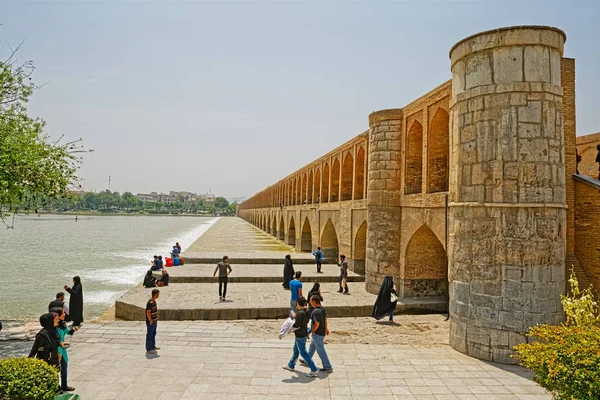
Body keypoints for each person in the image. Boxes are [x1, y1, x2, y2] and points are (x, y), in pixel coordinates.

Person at [282, 297, 319, 377]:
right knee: (295, 350)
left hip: (300, 335)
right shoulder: (306, 311)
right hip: (303, 333)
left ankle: (314, 369)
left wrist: (289, 326)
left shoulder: (300, 313)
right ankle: (291, 365)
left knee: (303, 353)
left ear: (298, 303)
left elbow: (297, 325)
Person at [300, 295, 333, 373]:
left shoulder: (315, 312)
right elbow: (325, 319)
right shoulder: (322, 309)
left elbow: (316, 323)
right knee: (312, 347)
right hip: (322, 332)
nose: (310, 303)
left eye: (311, 301)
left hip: (317, 333)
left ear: (314, 302)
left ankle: (327, 366)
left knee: (320, 350)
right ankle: (307, 360)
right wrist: (326, 328)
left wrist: (313, 331)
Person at [52, 307, 78, 392]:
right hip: (56, 349)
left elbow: (68, 332)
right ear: (58, 315)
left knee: (64, 367)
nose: (65, 314)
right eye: (63, 313)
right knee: (56, 369)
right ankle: (56, 387)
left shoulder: (62, 324)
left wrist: (73, 329)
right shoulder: (54, 327)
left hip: (63, 349)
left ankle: (64, 385)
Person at [146, 288, 160, 353]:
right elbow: (148, 312)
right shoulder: (150, 303)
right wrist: (150, 321)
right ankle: (148, 349)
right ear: (155, 294)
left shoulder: (154, 301)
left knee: (153, 333)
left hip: (155, 321)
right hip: (151, 322)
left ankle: (152, 346)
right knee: (149, 334)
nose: (158, 295)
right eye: (158, 294)